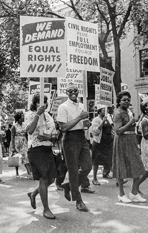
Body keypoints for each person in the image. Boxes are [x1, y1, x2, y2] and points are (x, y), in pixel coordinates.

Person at [56, 84, 94, 212]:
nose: (73, 93)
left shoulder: (81, 105)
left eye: (75, 90)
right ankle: (79, 201)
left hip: (81, 136)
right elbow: (63, 128)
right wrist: (79, 118)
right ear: (66, 92)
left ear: (78, 92)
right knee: (73, 170)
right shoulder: (63, 107)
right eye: (70, 91)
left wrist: (87, 123)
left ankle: (69, 186)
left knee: (88, 165)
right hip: (70, 139)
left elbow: (83, 123)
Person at [25, 94, 58, 219]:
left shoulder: (49, 116)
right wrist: (37, 115)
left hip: (48, 149)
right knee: (44, 178)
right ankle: (46, 209)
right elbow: (30, 130)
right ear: (35, 103)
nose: (42, 104)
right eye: (39, 102)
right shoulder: (30, 114)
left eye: (44, 101)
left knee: (51, 179)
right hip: (36, 149)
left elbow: (55, 135)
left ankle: (33, 194)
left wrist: (48, 137)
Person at [112, 91, 146, 203]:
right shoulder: (117, 113)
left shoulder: (129, 111)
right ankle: (121, 194)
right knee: (122, 166)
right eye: (124, 100)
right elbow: (118, 131)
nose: (127, 102)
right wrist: (131, 122)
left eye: (128, 100)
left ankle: (134, 192)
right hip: (122, 141)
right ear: (119, 101)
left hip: (131, 140)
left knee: (138, 166)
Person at [91, 107, 114, 185]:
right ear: (99, 111)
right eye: (104, 110)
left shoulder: (109, 118)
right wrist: (102, 122)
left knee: (109, 160)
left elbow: (111, 128)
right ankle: (94, 178)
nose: (106, 111)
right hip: (98, 143)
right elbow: (95, 131)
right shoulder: (96, 120)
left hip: (107, 143)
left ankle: (107, 173)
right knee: (96, 161)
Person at [10, 112, 30, 178]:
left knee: (26, 156)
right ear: (18, 118)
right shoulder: (14, 126)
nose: (23, 117)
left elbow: (26, 134)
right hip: (17, 142)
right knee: (17, 157)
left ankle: (29, 172)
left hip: (24, 142)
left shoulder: (25, 125)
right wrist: (13, 147)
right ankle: (17, 172)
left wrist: (28, 143)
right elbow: (12, 136)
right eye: (22, 116)